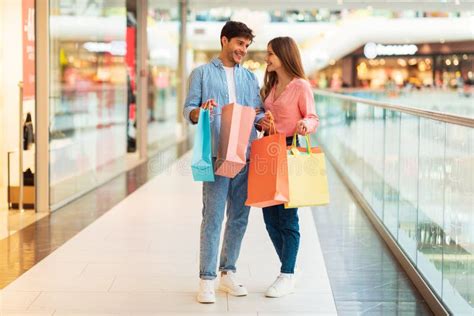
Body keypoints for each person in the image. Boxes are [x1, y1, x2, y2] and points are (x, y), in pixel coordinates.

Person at [183, 21, 265, 304]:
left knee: (240, 217)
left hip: (246, 154)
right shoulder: (202, 74)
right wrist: (200, 112)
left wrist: (263, 119)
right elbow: (189, 109)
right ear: (224, 40)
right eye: (239, 43)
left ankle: (227, 272)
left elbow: (256, 112)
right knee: (214, 216)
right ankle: (206, 278)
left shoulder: (250, 78)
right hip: (217, 153)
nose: (243, 49)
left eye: (246, 45)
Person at [257, 36, 319, 298]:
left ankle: (287, 274)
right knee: (269, 217)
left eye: (271, 54)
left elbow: (312, 116)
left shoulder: (300, 86)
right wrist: (263, 121)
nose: (267, 58)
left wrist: (306, 124)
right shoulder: (271, 86)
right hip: (268, 150)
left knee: (287, 217)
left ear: (284, 55)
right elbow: (262, 117)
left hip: (290, 150)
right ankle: (290, 267)